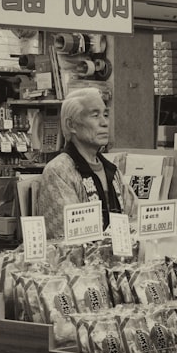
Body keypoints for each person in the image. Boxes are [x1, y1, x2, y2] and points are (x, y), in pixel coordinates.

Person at [38, 87, 137, 239]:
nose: (104, 123)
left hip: (119, 259)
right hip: (82, 261)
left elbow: (135, 218)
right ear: (71, 125)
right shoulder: (58, 171)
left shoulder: (112, 170)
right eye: (95, 115)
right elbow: (68, 236)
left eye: (105, 115)